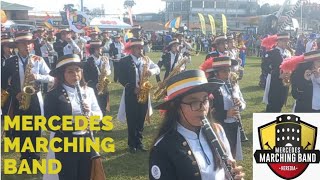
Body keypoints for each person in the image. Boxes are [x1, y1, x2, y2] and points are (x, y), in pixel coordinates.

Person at [149, 70, 245, 180]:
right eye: (193, 102)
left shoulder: (217, 130)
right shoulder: (163, 148)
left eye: (205, 100)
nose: (202, 108)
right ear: (175, 107)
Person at [44, 54, 103, 180]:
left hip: (86, 140)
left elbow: (99, 114)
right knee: (68, 175)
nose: (75, 74)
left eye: (78, 70)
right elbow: (49, 123)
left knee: (85, 174)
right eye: (70, 71)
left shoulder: (89, 91)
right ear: (62, 74)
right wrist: (74, 124)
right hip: (65, 142)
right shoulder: (53, 94)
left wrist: (91, 114)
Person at [1, 32, 53, 168]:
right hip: (18, 99)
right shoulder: (10, 61)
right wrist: (15, 93)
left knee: (35, 129)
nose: (27, 46)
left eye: (29, 43)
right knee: (20, 130)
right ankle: (24, 158)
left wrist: (37, 77)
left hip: (35, 99)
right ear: (17, 46)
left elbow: (51, 77)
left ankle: (35, 159)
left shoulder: (38, 60)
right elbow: (3, 82)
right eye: (23, 43)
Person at [117, 38, 160, 153]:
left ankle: (139, 142)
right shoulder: (124, 61)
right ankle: (132, 144)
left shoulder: (146, 60)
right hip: (131, 94)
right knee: (132, 119)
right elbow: (121, 78)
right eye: (138, 48)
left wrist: (152, 71)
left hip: (144, 93)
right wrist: (132, 88)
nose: (141, 49)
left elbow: (157, 68)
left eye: (142, 47)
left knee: (141, 118)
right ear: (131, 49)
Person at [208, 57, 246, 160]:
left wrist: (240, 105)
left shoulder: (233, 83)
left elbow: (243, 102)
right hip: (220, 125)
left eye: (229, 70)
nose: (228, 73)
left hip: (234, 124)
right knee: (221, 154)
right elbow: (208, 112)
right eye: (224, 71)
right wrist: (226, 114)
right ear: (216, 73)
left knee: (232, 152)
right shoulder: (211, 87)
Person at [262, 33, 292, 112]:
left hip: (285, 81)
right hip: (274, 82)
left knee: (281, 102)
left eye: (287, 41)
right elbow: (265, 67)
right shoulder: (272, 53)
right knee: (273, 104)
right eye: (284, 41)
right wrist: (278, 75)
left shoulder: (288, 53)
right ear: (278, 41)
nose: (287, 43)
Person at [83, 40, 111, 116]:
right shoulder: (87, 62)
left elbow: (109, 71)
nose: (100, 50)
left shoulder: (104, 59)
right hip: (94, 87)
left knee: (103, 105)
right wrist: (94, 84)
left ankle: (103, 123)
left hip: (104, 85)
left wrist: (105, 73)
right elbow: (86, 78)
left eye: (100, 48)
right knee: (95, 106)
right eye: (98, 49)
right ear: (93, 50)